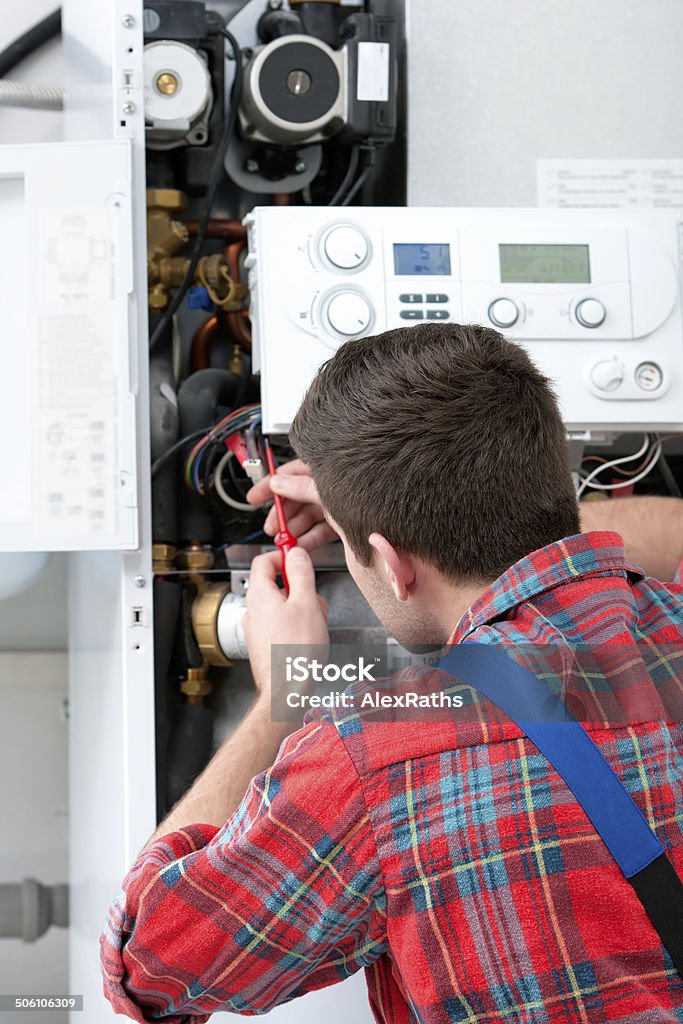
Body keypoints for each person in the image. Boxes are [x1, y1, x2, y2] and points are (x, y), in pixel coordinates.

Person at [101, 323, 683, 1023]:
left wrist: (284, 698)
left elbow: (153, 967)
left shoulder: (374, 758)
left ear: (392, 562)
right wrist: (447, 506)